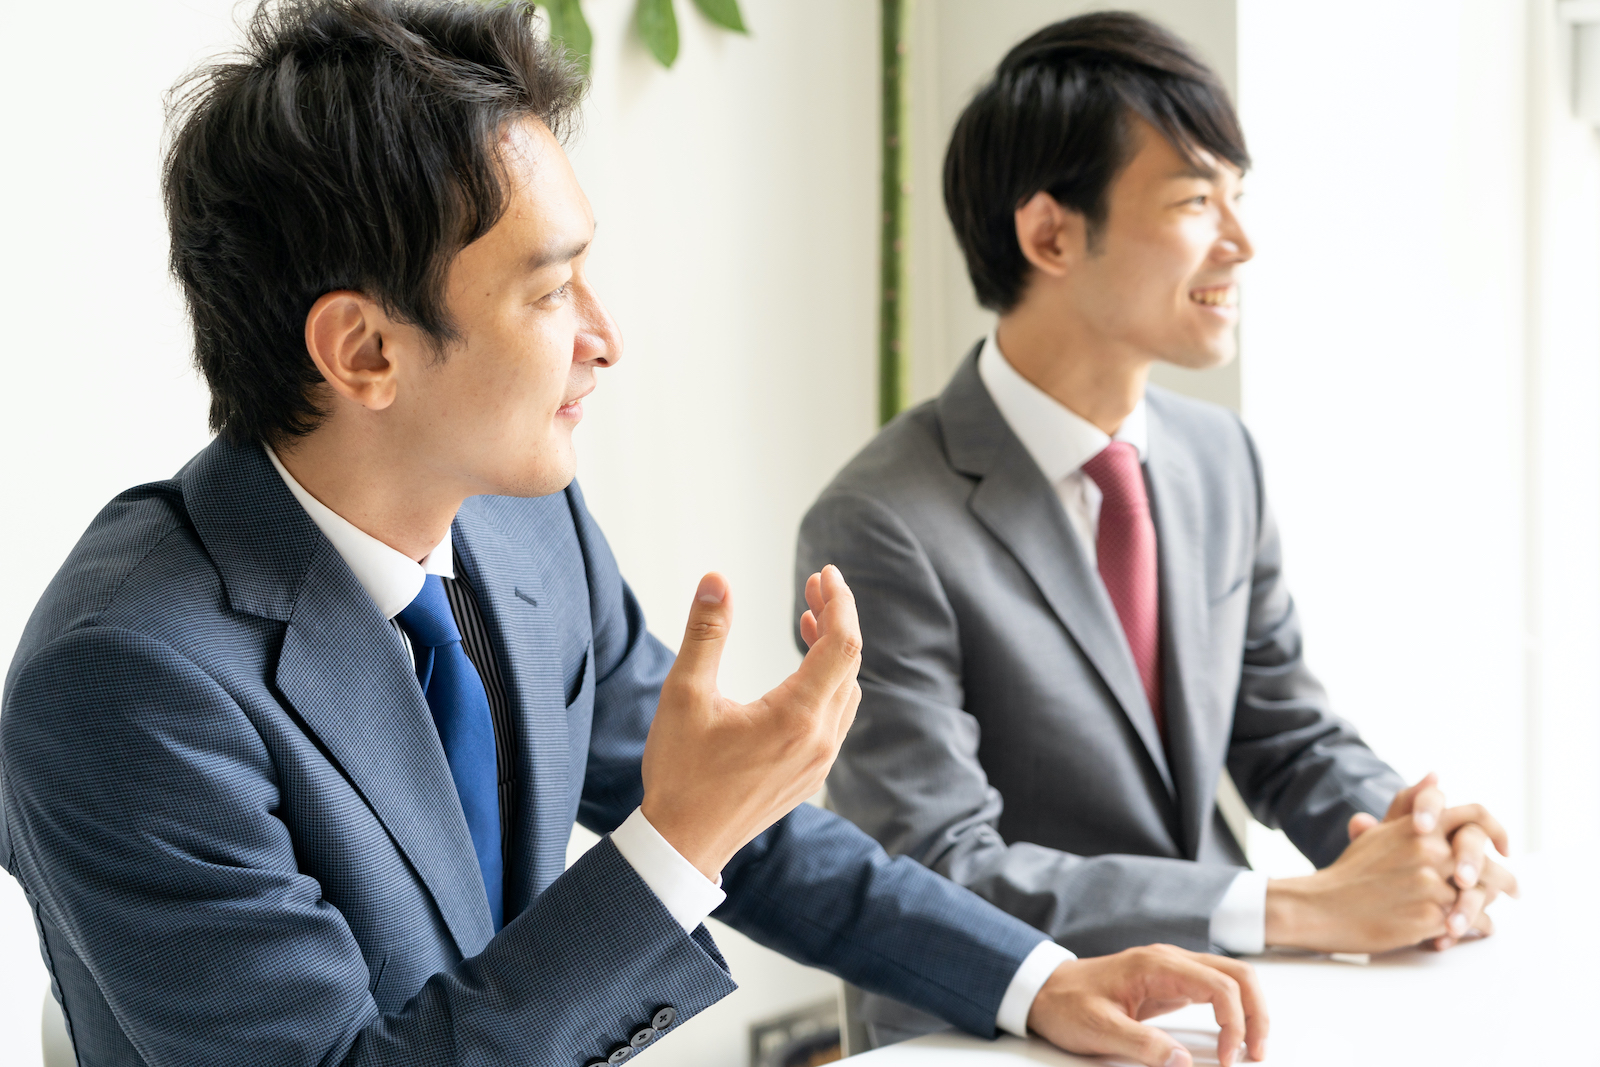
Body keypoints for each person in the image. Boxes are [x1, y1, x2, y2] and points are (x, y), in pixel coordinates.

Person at [0, 3, 1274, 1066]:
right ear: (365, 350)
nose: (604, 337)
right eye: (550, 290)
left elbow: (748, 820)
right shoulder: (125, 682)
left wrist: (1037, 978)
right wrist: (679, 839)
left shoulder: (524, 523)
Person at [795, 10, 1516, 1047]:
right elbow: (939, 863)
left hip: (1220, 1005)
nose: (1241, 239)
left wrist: (1410, 833)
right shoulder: (879, 521)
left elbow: (1283, 731)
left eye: (1239, 194)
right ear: (1048, 233)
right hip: (991, 1029)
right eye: (1192, 200)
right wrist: (1292, 908)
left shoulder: (1222, 457)